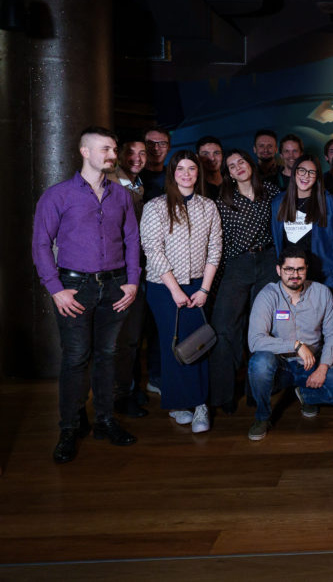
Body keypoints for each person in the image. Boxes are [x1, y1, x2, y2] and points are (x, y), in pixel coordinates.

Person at [33, 126, 141, 463]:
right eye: (105, 149)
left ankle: (105, 421)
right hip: (74, 287)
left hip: (115, 285)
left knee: (108, 354)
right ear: (85, 151)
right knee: (76, 357)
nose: (112, 155)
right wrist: (55, 289)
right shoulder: (58, 195)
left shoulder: (121, 195)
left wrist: (132, 281)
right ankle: (69, 428)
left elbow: (132, 240)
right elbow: (40, 244)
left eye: (114, 149)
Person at [139, 150, 221, 434]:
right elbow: (153, 251)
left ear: (198, 173)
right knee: (171, 343)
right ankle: (177, 403)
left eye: (192, 169)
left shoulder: (208, 206)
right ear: (172, 173)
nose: (186, 174)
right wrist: (175, 290)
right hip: (164, 287)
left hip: (198, 285)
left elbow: (215, 249)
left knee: (198, 343)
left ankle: (200, 404)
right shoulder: (156, 206)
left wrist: (205, 289)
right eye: (180, 169)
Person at [209, 149, 281, 414]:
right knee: (224, 327)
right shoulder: (223, 199)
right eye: (231, 165)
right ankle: (223, 395)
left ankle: (256, 390)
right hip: (236, 264)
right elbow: (219, 240)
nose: (238, 167)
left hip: (267, 261)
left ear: (250, 164)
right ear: (228, 173)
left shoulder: (271, 192)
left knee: (262, 327)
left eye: (241, 161)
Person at [246, 247, 333, 441]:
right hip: (279, 365)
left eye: (300, 269)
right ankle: (262, 416)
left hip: (312, 363)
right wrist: (296, 345)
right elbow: (255, 340)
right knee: (260, 363)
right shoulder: (267, 295)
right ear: (278, 270)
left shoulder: (322, 293)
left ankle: (306, 394)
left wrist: (323, 368)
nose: (295, 275)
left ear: (307, 269)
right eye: (289, 269)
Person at [108, 133, 150, 417]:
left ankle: (130, 389)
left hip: (136, 267)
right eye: (131, 153)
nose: (137, 158)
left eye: (142, 153)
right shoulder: (111, 182)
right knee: (121, 338)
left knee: (133, 336)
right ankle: (119, 396)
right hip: (118, 270)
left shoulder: (137, 184)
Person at [270, 155, 333, 301]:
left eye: (312, 172)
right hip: (294, 275)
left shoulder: (329, 202)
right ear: (294, 172)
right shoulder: (279, 202)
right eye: (302, 170)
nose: (306, 176)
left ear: (317, 177)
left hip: (327, 275)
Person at [141, 126, 171, 202]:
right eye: (150, 143)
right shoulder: (133, 178)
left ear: (169, 148)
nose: (156, 148)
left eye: (162, 143)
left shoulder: (175, 177)